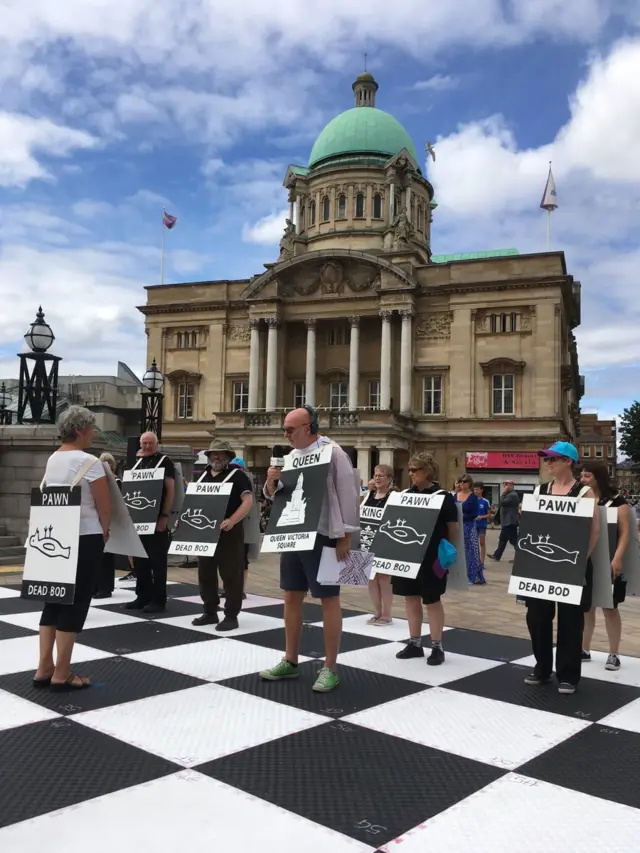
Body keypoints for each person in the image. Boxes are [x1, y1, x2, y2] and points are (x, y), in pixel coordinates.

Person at [260, 406, 359, 692]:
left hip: (324, 534)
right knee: (291, 595)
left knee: (328, 598)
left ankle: (330, 666)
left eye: (290, 429)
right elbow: (276, 495)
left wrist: (346, 537)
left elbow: (349, 494)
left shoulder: (334, 453)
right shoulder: (290, 457)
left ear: (308, 427)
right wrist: (270, 482)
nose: (286, 434)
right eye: (285, 429)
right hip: (293, 534)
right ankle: (290, 659)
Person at [33, 406, 111, 691]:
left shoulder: (54, 458)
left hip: (56, 535)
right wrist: (107, 530)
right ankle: (62, 673)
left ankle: (44, 667)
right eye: (91, 428)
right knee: (76, 602)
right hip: (84, 537)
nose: (93, 433)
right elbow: (105, 506)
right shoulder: (89, 462)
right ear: (79, 429)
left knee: (53, 600)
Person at [524, 441, 599, 695]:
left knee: (570, 619)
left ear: (568, 461)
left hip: (571, 565)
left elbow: (594, 531)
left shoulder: (583, 493)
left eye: (553, 458)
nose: (548, 463)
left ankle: (568, 674)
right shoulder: (540, 490)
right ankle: (542, 667)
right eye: (546, 459)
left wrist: (579, 561)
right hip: (541, 565)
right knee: (537, 616)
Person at [394, 454, 458, 666]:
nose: (411, 474)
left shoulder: (444, 497)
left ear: (428, 471)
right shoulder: (404, 494)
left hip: (433, 558)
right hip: (408, 555)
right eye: (410, 470)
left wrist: (444, 556)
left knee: (432, 600)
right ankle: (414, 643)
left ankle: (437, 646)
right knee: (410, 598)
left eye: (416, 470)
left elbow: (453, 529)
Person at [192, 440, 254, 631]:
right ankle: (210, 611)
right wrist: (185, 520)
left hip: (229, 533)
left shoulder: (238, 476)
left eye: (221, 454)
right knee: (205, 573)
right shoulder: (203, 476)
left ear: (228, 457)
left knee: (231, 575)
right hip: (205, 532)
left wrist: (232, 520)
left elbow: (248, 501)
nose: (216, 457)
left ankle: (231, 615)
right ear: (208, 456)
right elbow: (193, 501)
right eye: (213, 454)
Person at [581, 460, 633, 671]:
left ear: (598, 477)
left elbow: (626, 533)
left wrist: (618, 557)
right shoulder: (581, 499)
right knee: (586, 607)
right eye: (582, 475)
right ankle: (583, 649)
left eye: (587, 476)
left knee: (610, 608)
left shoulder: (618, 502)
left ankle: (614, 653)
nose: (582, 479)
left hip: (610, 561)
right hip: (587, 561)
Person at [125, 432, 175, 614]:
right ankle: (142, 595)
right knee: (140, 560)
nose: (146, 446)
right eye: (144, 443)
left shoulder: (164, 461)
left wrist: (164, 515)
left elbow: (171, 489)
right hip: (138, 520)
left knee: (157, 560)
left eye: (150, 443)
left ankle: (159, 599)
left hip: (157, 520)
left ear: (156, 444)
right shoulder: (136, 462)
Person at [362, 464, 394, 625]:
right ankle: (377, 612)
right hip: (368, 540)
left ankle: (387, 614)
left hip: (385, 542)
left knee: (384, 578)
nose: (377, 477)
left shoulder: (394, 496)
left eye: (381, 475)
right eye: (375, 475)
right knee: (371, 578)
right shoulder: (368, 495)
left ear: (389, 479)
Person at [93, 452, 121, 599]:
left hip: (110, 521)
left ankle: (106, 587)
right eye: (103, 462)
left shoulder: (116, 481)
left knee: (106, 556)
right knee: (98, 555)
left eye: (109, 462)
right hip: (96, 520)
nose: (106, 465)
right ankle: (97, 585)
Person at [456, 474, 484, 585]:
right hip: (456, 526)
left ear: (469, 483)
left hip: (468, 526)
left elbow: (474, 514)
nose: (463, 483)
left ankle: (472, 575)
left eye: (465, 481)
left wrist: (461, 516)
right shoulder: (455, 496)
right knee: (456, 550)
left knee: (470, 551)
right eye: (461, 481)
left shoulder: (472, 497)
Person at [488, 480, 520, 562]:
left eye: (507, 484)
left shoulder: (512, 495)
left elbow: (502, 502)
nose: (505, 486)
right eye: (504, 484)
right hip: (506, 521)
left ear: (512, 486)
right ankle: (497, 556)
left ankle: (520, 558)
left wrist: (504, 493)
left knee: (514, 540)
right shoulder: (510, 494)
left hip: (510, 521)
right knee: (502, 539)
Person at [474, 482, 492, 570]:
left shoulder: (485, 501)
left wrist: (481, 517)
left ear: (481, 490)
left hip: (482, 525)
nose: (475, 491)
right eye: (474, 489)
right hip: (473, 525)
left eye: (477, 489)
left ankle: (482, 562)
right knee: (474, 544)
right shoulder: (472, 500)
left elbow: (489, 515)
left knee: (482, 543)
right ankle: (474, 561)